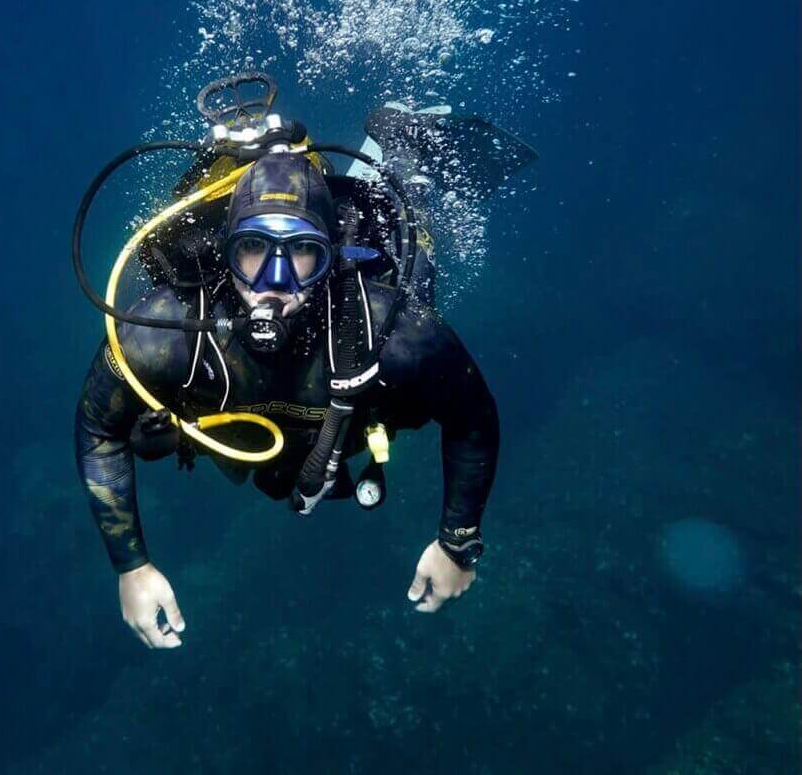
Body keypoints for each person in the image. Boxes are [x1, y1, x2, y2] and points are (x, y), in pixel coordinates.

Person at [75, 101, 530, 649]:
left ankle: (402, 144)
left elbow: (471, 414)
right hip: (282, 445)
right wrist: (133, 567)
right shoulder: (168, 333)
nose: (274, 281)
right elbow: (98, 428)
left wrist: (457, 542)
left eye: (302, 256)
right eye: (252, 251)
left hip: (347, 401)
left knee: (411, 250)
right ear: (226, 253)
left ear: (331, 258)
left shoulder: (396, 334)